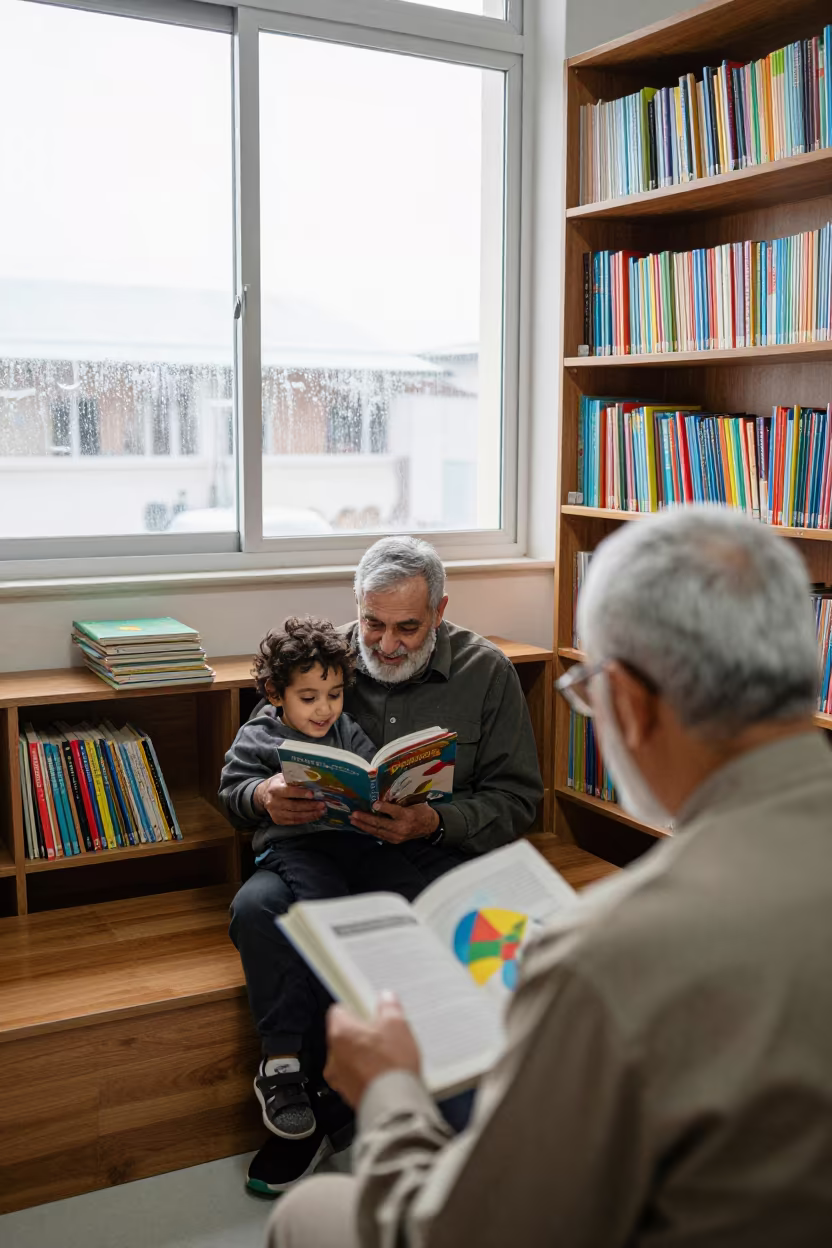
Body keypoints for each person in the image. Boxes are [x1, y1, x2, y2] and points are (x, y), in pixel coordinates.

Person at [268, 508, 832, 1248]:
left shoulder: (602, 958)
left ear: (628, 703)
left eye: (588, 688)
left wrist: (391, 1093)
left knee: (305, 1217)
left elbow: (462, 1233)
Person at [224, 536, 543, 1193]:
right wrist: (267, 798)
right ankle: (306, 1101)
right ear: (356, 606)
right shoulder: (323, 659)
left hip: (426, 851)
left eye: (407, 627)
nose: (386, 643)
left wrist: (433, 819)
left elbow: (519, 802)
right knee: (258, 910)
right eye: (372, 622)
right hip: (308, 846)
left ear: (440, 610)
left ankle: (365, 1105)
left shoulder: (487, 673)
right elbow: (249, 767)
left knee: (414, 919)